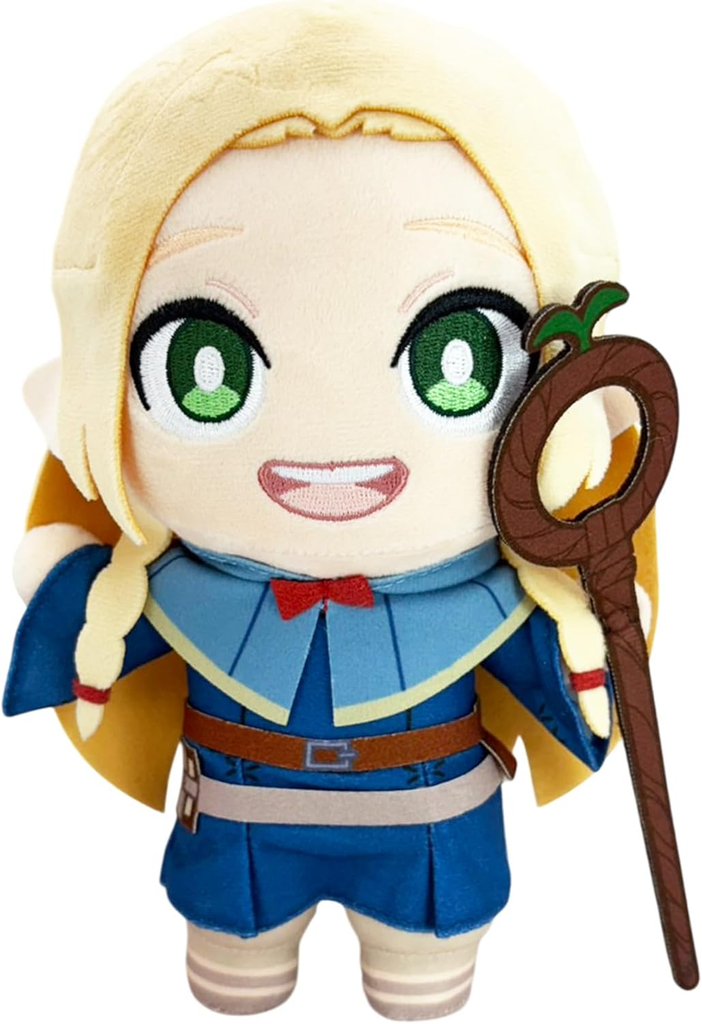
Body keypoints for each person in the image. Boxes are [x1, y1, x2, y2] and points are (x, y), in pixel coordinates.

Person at [3, 3, 654, 1018]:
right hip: (237, 836)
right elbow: (96, 625)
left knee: (425, 980)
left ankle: (416, 956)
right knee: (232, 977)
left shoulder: (492, 597)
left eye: (455, 360)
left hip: (433, 835)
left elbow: (575, 676)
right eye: (202, 367)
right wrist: (70, 581)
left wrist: (610, 634)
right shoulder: (180, 591)